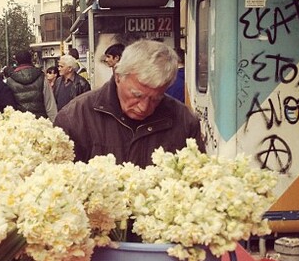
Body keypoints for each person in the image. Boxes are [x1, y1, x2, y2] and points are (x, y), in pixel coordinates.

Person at [54, 39, 204, 168]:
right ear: (118, 76)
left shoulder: (185, 122)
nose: (144, 107)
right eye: (137, 95)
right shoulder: (74, 119)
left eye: (156, 98)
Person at [6, 50, 57, 121]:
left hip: (20, 123)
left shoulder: (10, 80)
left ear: (17, 62)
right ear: (31, 60)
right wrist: (54, 123)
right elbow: (49, 104)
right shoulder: (41, 77)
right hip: (41, 122)